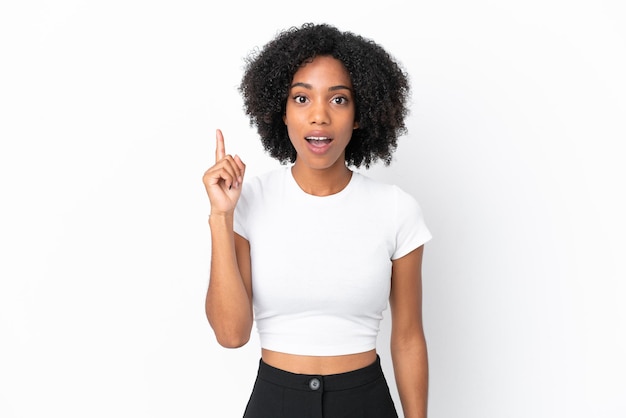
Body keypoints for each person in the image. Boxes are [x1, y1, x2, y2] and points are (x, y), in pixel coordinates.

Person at [202, 22, 432, 418]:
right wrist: (222, 216)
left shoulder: (396, 209)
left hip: (365, 402)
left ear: (361, 115)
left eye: (339, 100)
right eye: (302, 99)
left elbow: (408, 338)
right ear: (282, 112)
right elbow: (231, 334)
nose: (320, 116)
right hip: (275, 401)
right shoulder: (249, 200)